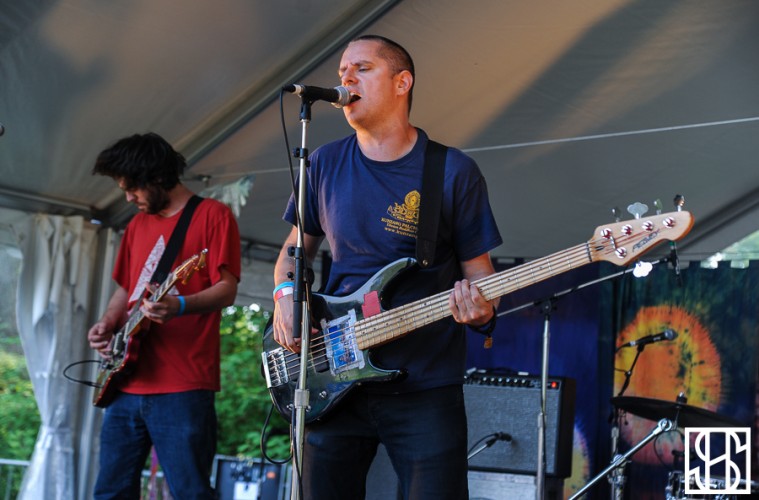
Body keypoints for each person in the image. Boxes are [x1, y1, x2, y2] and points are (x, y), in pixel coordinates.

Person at [272, 35, 502, 499]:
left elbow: (482, 277)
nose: (346, 79)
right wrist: (284, 296)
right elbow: (294, 253)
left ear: (402, 83)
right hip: (334, 376)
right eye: (342, 72)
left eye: (362, 69)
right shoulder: (322, 163)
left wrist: (483, 308)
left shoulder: (452, 171)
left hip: (425, 384)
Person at [87, 132, 241, 499]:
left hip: (183, 384)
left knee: (190, 492)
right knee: (109, 492)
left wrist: (180, 306)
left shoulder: (213, 215)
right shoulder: (136, 225)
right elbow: (126, 289)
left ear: (157, 177)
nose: (128, 198)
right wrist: (107, 323)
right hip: (125, 379)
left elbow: (227, 289)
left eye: (133, 188)